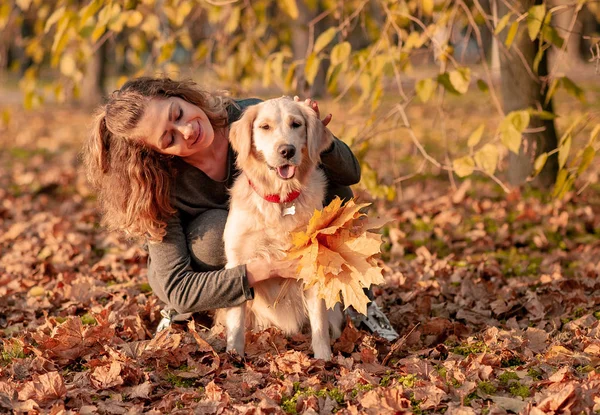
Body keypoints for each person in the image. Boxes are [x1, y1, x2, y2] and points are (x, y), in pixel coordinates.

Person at [82, 76, 398, 341]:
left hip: (287, 225)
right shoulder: (159, 187)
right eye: (168, 138)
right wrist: (269, 267)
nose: (187, 131)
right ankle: (191, 319)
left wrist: (314, 136)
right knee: (213, 233)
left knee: (330, 189)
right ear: (158, 154)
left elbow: (350, 174)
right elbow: (176, 288)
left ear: (181, 96)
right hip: (228, 260)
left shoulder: (253, 115)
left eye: (178, 114)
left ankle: (360, 302)